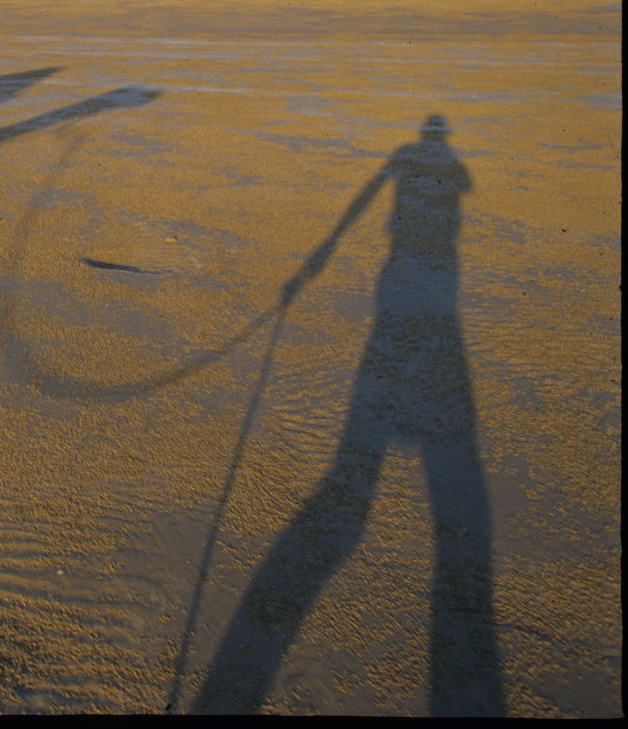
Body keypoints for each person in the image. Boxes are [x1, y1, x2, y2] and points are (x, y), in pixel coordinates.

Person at [194, 115, 504, 715]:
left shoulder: (414, 165)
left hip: (410, 276)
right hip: (423, 280)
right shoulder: (442, 168)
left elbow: (383, 195)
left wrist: (320, 257)